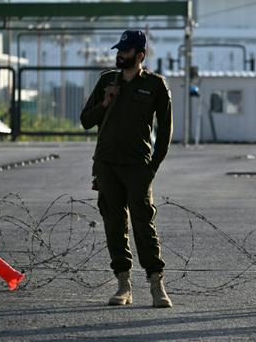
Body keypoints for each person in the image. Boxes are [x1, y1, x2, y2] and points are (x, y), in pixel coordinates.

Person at [80, 30, 173, 308]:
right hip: (107, 164)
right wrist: (105, 102)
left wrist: (152, 167)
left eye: (126, 51)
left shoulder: (155, 85)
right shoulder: (107, 81)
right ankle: (123, 285)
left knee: (143, 223)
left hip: (137, 166)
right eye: (119, 50)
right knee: (114, 223)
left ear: (140, 55)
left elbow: (165, 131)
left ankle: (156, 283)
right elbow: (85, 120)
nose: (120, 54)